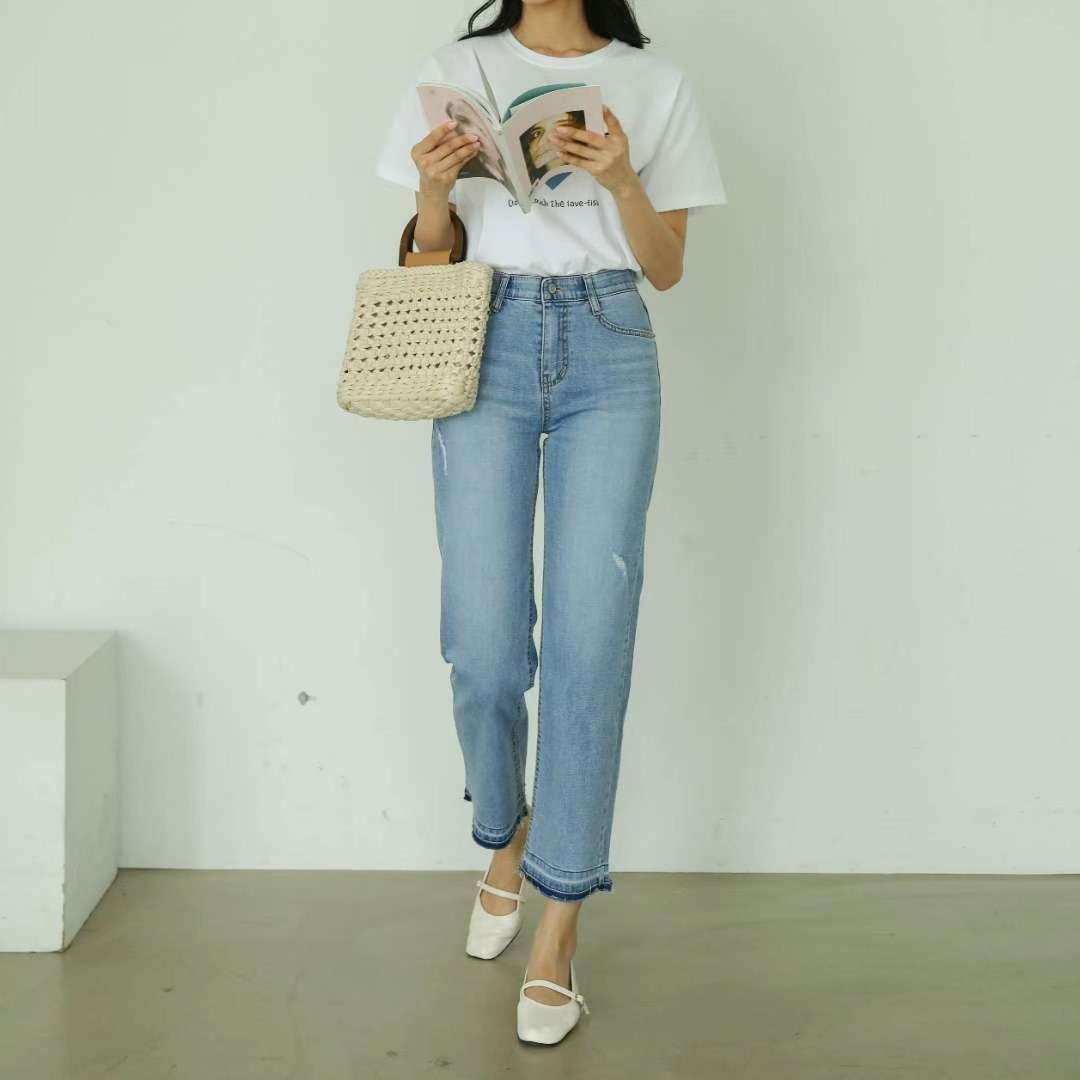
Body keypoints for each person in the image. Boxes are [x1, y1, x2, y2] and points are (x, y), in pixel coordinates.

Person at [373, 0, 727, 1045]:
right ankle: (505, 832)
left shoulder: (657, 83)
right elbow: (426, 258)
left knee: (589, 642)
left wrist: (621, 179)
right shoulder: (456, 67)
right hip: (480, 333)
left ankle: (558, 928)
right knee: (483, 643)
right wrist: (434, 192)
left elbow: (668, 267)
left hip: (610, 344)